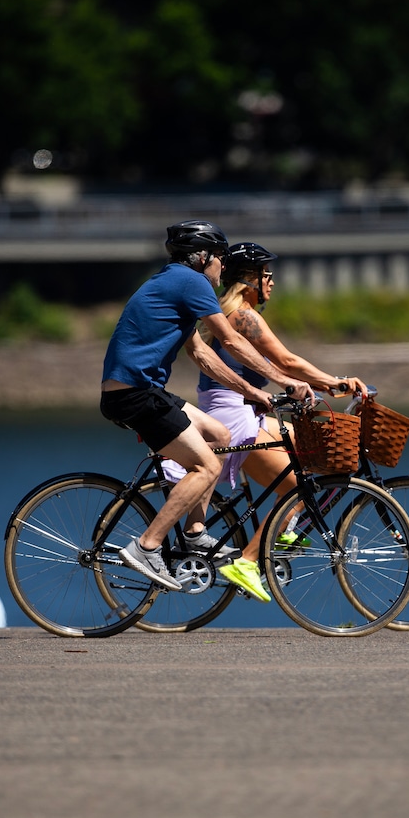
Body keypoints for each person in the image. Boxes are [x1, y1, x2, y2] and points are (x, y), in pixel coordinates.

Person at [99, 220, 313, 596]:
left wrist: (253, 390)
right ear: (204, 259)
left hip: (139, 390)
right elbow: (229, 341)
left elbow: (202, 354)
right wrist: (285, 381)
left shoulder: (173, 282)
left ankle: (195, 533)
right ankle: (147, 547)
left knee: (219, 434)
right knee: (208, 464)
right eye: (221, 261)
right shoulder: (191, 282)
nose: (223, 269)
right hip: (135, 394)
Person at [167, 241, 367, 602]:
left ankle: (286, 527)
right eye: (267, 275)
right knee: (295, 488)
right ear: (249, 279)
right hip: (233, 413)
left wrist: (321, 386)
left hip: (240, 409)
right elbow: (286, 363)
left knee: (310, 455)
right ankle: (247, 561)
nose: (272, 282)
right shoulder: (243, 316)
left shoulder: (237, 314)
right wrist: (333, 381)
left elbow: (280, 367)